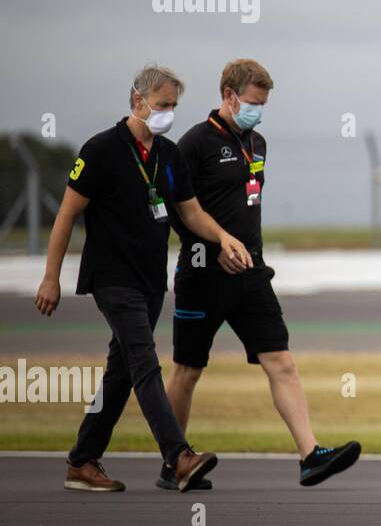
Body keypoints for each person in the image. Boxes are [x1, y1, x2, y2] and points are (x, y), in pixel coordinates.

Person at [34, 64, 252, 493]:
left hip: (152, 280)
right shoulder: (100, 150)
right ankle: (179, 456)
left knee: (121, 373)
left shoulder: (169, 157)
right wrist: (50, 278)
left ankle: (81, 461)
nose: (169, 112)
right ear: (138, 100)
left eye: (174, 105)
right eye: (164, 104)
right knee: (145, 362)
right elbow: (66, 214)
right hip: (112, 278)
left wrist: (223, 236)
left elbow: (190, 212)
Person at [163, 59, 362, 490]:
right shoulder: (193, 144)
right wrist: (214, 248)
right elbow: (178, 211)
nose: (258, 111)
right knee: (188, 370)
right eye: (252, 103)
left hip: (252, 273)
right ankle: (174, 458)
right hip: (201, 276)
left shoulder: (258, 143)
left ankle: (310, 455)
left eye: (264, 104)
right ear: (229, 95)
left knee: (282, 362)